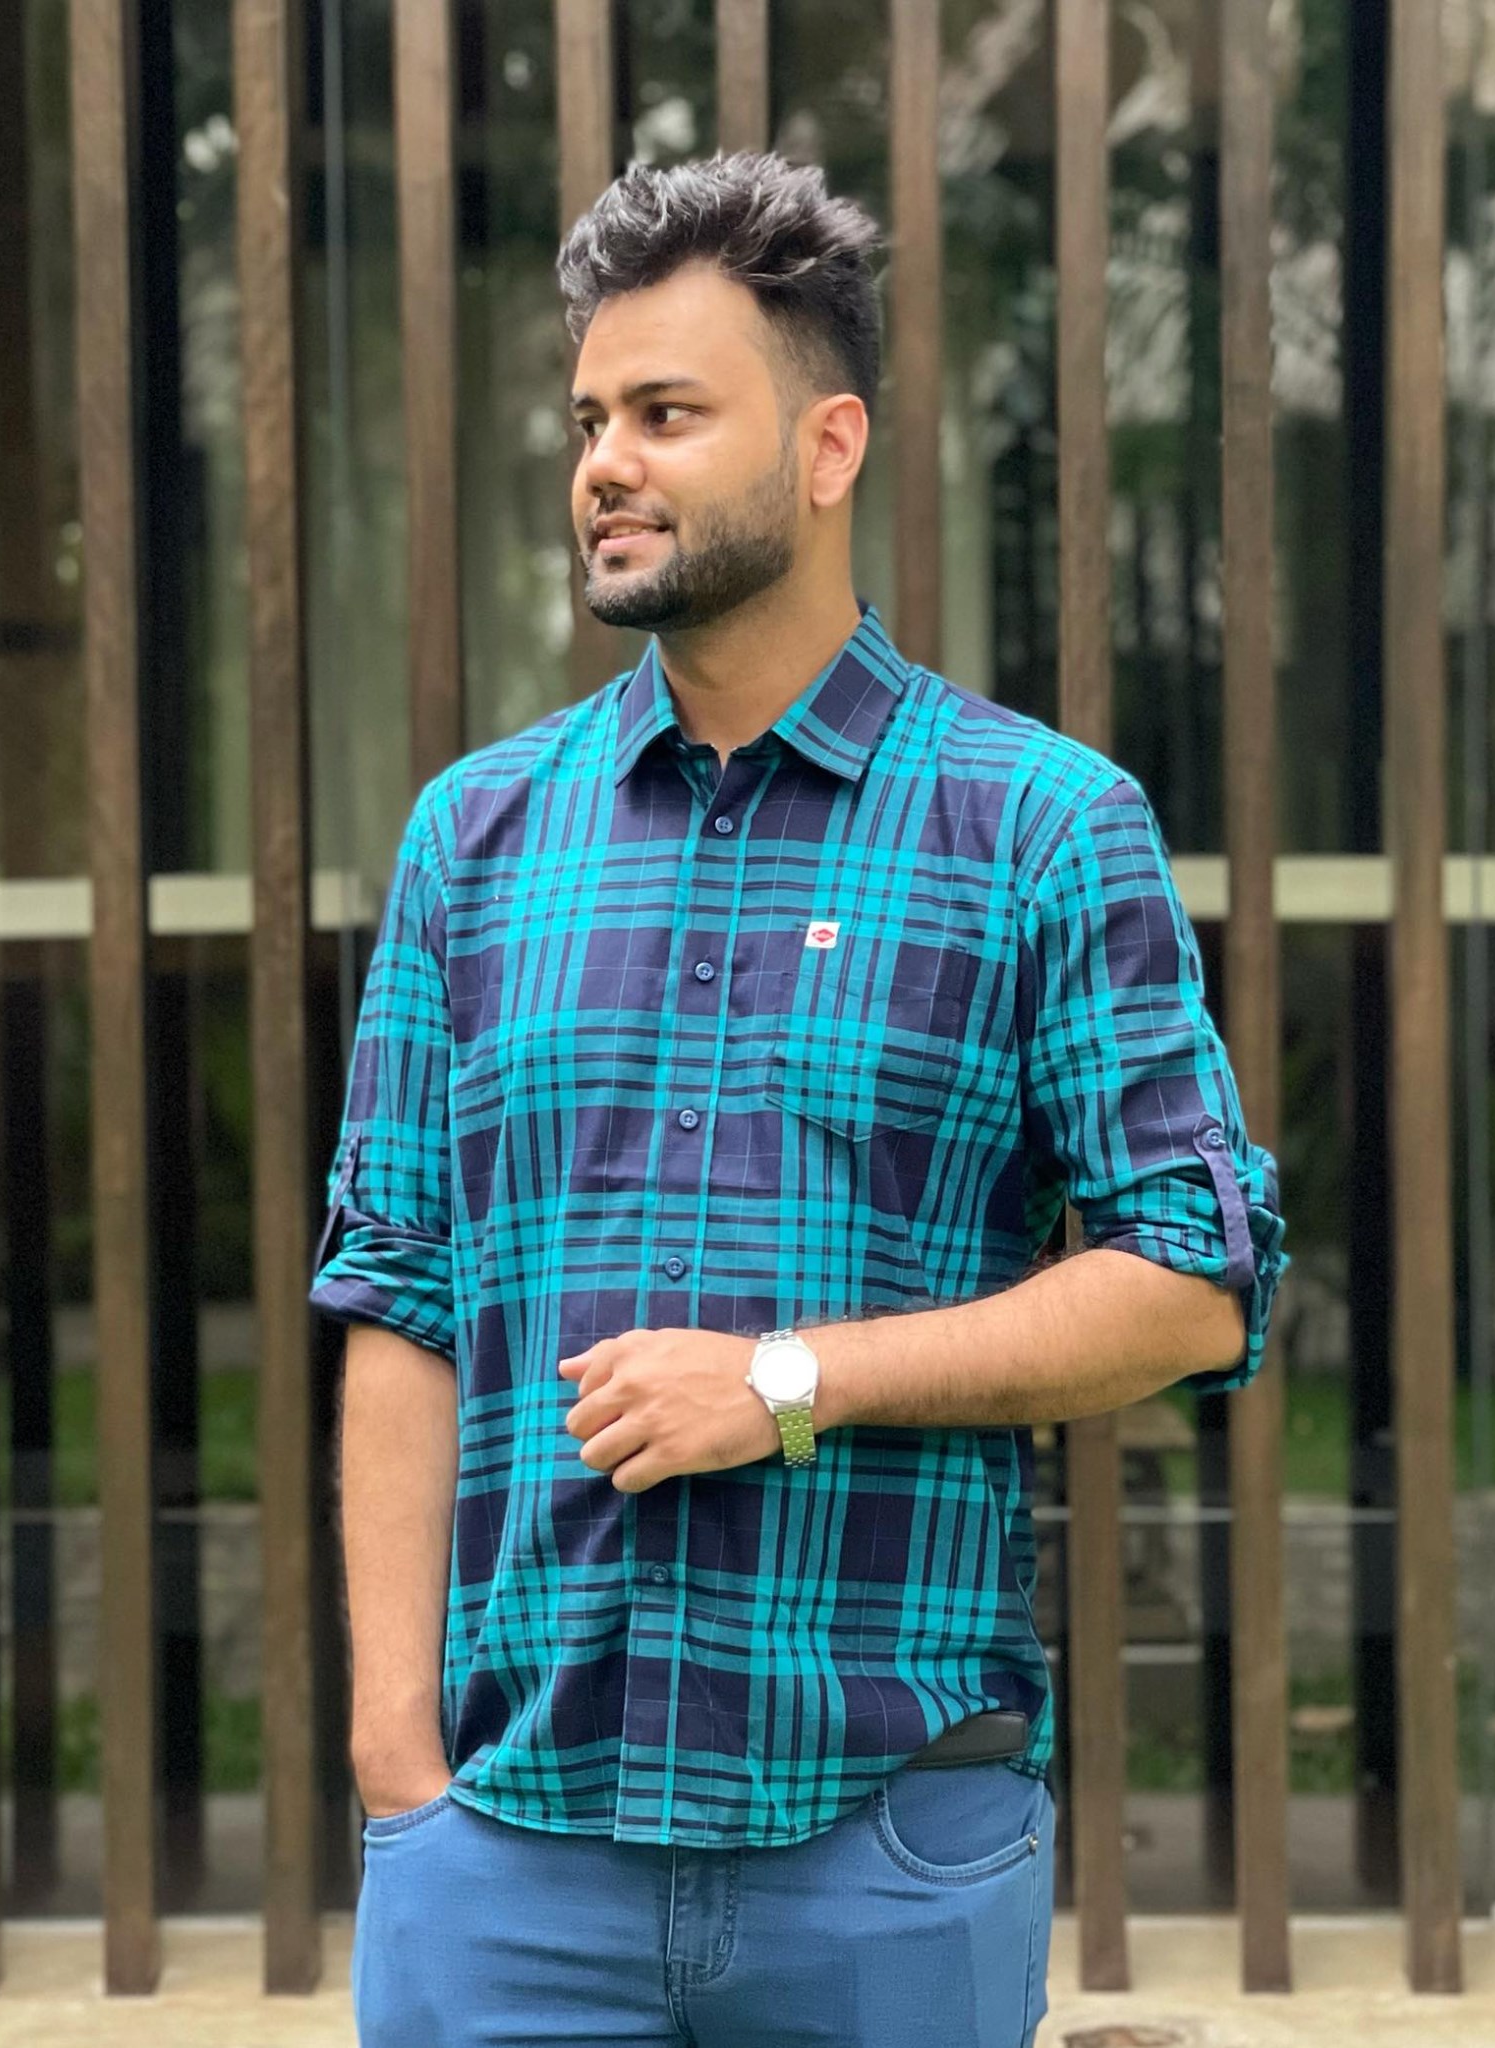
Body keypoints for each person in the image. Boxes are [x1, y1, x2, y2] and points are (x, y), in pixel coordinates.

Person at [312, 148, 1286, 2048]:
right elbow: (401, 1297)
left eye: (668, 414)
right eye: (589, 419)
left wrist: (785, 1380)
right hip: (504, 1855)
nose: (607, 463)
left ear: (830, 446)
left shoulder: (1040, 827)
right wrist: (396, 1767)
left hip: (883, 1849)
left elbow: (1196, 1281)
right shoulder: (473, 840)